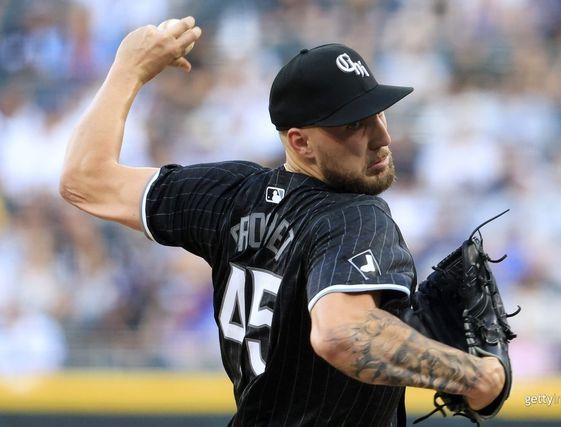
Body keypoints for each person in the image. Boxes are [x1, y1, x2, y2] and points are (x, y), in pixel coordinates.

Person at [60, 17, 505, 426]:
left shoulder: (229, 194)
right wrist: (477, 377)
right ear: (300, 142)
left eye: (379, 112)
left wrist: (128, 70)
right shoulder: (354, 215)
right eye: (354, 125)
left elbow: (85, 179)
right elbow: (341, 335)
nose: (382, 137)